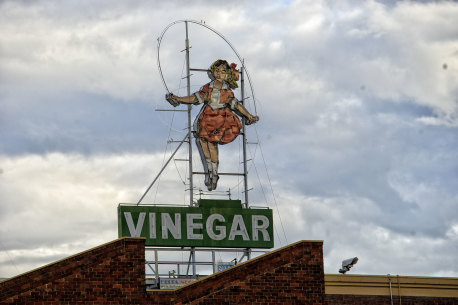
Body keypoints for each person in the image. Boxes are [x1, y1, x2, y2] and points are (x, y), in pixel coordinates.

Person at [166, 59, 259, 191]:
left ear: (227, 74)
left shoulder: (227, 91)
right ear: (213, 72)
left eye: (223, 72)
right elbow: (195, 98)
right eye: (217, 70)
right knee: (203, 142)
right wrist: (180, 99)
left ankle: (214, 173)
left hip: (221, 119)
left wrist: (249, 115)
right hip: (207, 118)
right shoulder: (208, 88)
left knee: (212, 144)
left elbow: (237, 105)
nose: (219, 73)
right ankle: (210, 171)